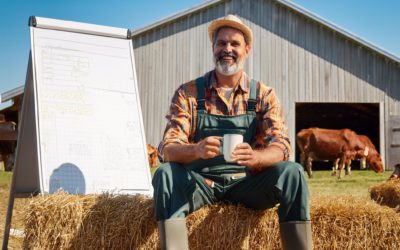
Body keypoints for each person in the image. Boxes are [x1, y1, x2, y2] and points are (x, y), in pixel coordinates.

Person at [152, 14, 312, 250]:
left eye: (234, 43)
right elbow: (168, 149)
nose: (227, 49)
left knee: (293, 173)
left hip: (246, 184)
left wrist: (257, 157)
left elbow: (281, 146)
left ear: (247, 49)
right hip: (199, 184)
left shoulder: (263, 94)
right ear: (213, 47)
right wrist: (196, 149)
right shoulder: (189, 93)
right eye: (221, 43)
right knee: (164, 174)